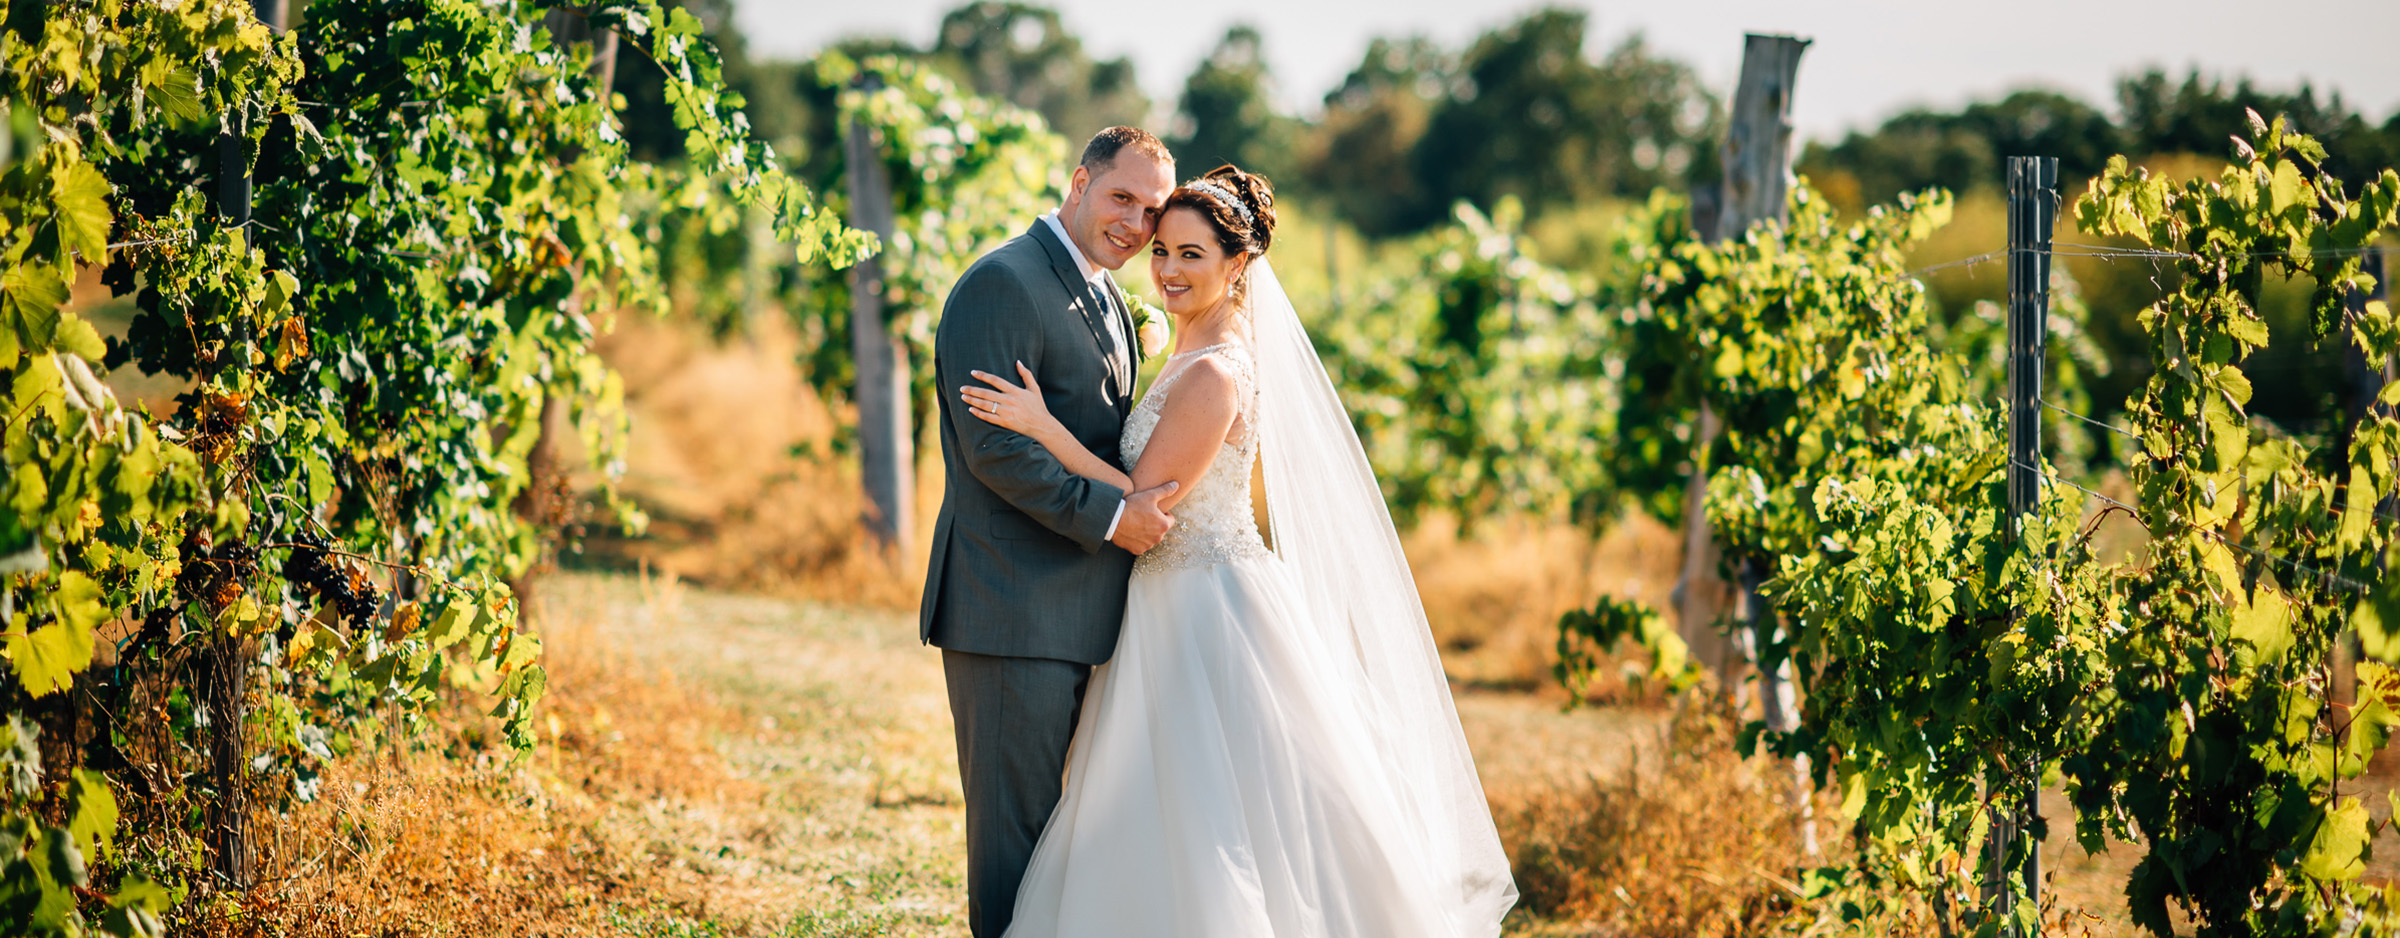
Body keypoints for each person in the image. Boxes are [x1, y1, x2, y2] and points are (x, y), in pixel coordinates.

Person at [959, 164, 1517, 936]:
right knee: (1157, 807)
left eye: (1192, 255)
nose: (1169, 271)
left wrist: (1042, 425)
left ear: (1237, 264)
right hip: (1158, 601)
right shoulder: (1189, 349)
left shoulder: (1218, 372)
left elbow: (1142, 499)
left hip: (1204, 607)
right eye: (1163, 251)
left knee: (1214, 810)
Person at [920, 126, 1182, 938]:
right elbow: (994, 448)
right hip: (1011, 610)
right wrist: (1115, 516)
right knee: (1014, 848)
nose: (1137, 224)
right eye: (1122, 198)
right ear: (1079, 182)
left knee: (1063, 845)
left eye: (1152, 209)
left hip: (1080, 614)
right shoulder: (1005, 283)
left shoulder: (1104, 291)